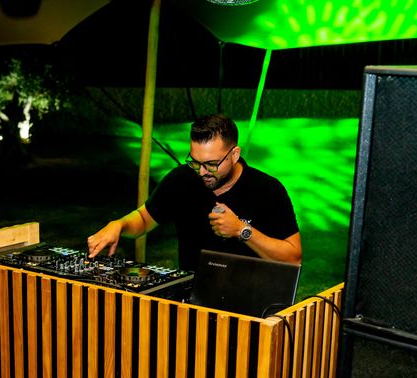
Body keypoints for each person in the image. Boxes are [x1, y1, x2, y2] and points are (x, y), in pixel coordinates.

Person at [87, 113, 302, 271]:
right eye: (194, 161)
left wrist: (241, 230)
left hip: (250, 302)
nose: (201, 172)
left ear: (235, 154)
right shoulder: (181, 179)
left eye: (211, 164)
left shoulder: (268, 190)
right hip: (191, 299)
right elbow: (144, 218)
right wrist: (119, 224)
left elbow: (293, 258)